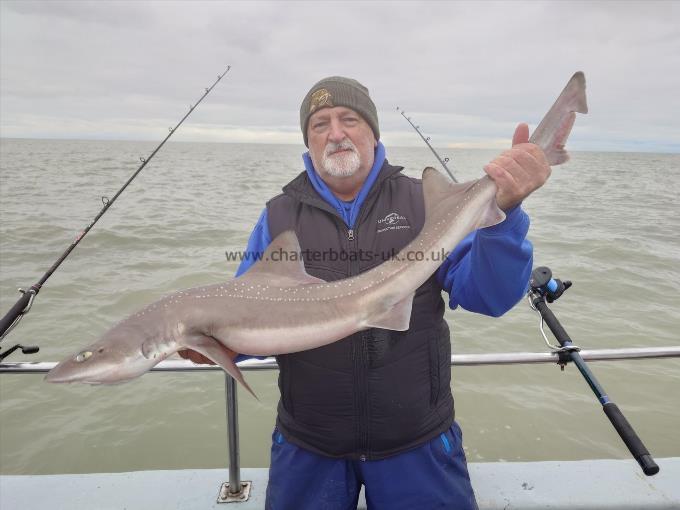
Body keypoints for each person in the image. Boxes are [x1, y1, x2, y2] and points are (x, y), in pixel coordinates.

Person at [180, 76, 550, 510]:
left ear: (373, 132)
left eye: (348, 119)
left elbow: (490, 297)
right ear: (308, 142)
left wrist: (505, 217)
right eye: (319, 125)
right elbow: (250, 315)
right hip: (309, 445)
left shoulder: (423, 204)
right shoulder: (278, 217)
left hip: (418, 442)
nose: (335, 133)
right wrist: (218, 346)